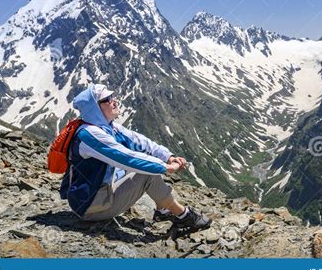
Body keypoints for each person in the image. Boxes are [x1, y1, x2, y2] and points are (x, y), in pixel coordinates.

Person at [60, 84, 211, 230]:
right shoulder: (90, 135)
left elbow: (140, 141)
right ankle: (183, 216)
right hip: (90, 207)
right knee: (145, 172)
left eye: (112, 97)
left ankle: (163, 211)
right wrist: (166, 167)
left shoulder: (108, 127)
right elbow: (126, 158)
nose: (114, 101)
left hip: (95, 195)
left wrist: (168, 157)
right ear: (94, 108)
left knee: (147, 161)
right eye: (107, 99)